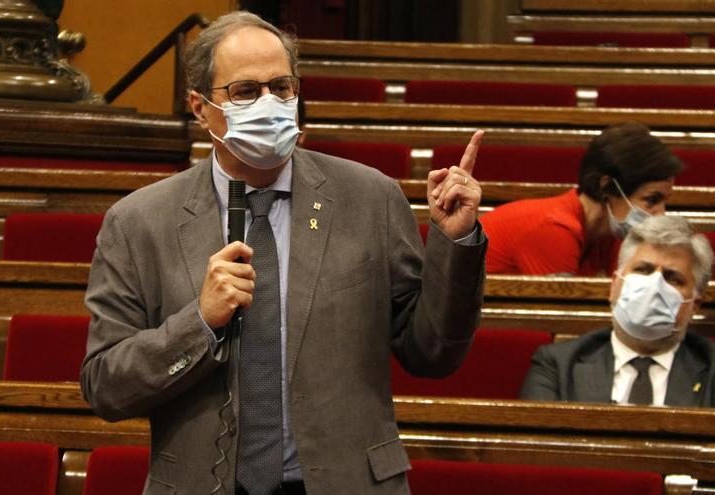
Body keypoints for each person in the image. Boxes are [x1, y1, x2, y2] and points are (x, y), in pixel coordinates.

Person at [80, 11, 487, 495]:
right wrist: (201, 323)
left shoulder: (369, 197)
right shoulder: (139, 222)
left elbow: (432, 353)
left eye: (282, 87)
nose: (269, 103)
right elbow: (106, 386)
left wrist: (454, 241)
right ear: (199, 106)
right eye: (246, 92)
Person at [520, 215, 715, 407]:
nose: (654, 286)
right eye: (643, 270)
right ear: (614, 286)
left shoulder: (711, 367)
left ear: (694, 306)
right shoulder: (558, 364)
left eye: (672, 278)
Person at [480, 122, 684, 275]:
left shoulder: (610, 233)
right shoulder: (553, 228)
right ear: (607, 186)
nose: (661, 213)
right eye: (651, 200)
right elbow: (561, 317)